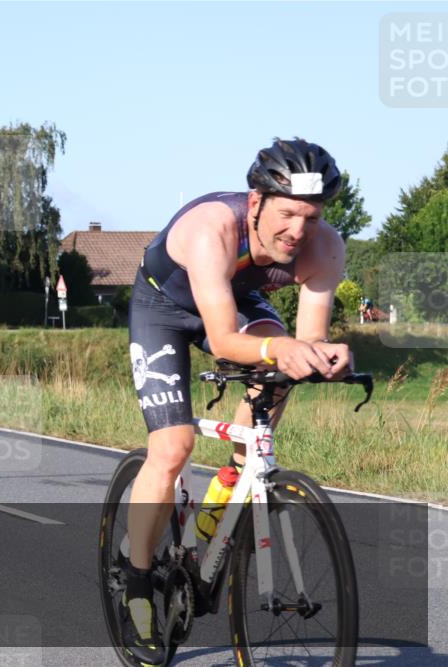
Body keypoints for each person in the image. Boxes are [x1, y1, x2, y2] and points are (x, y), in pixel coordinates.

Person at [121, 138, 353, 664]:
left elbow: (308, 341)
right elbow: (225, 342)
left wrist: (327, 356)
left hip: (235, 298)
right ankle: (136, 582)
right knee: (173, 448)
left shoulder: (325, 248)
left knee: (287, 365)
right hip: (163, 307)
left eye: (311, 217)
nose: (298, 230)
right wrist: (281, 348)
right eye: (287, 214)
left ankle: (234, 476)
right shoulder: (213, 229)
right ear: (255, 203)